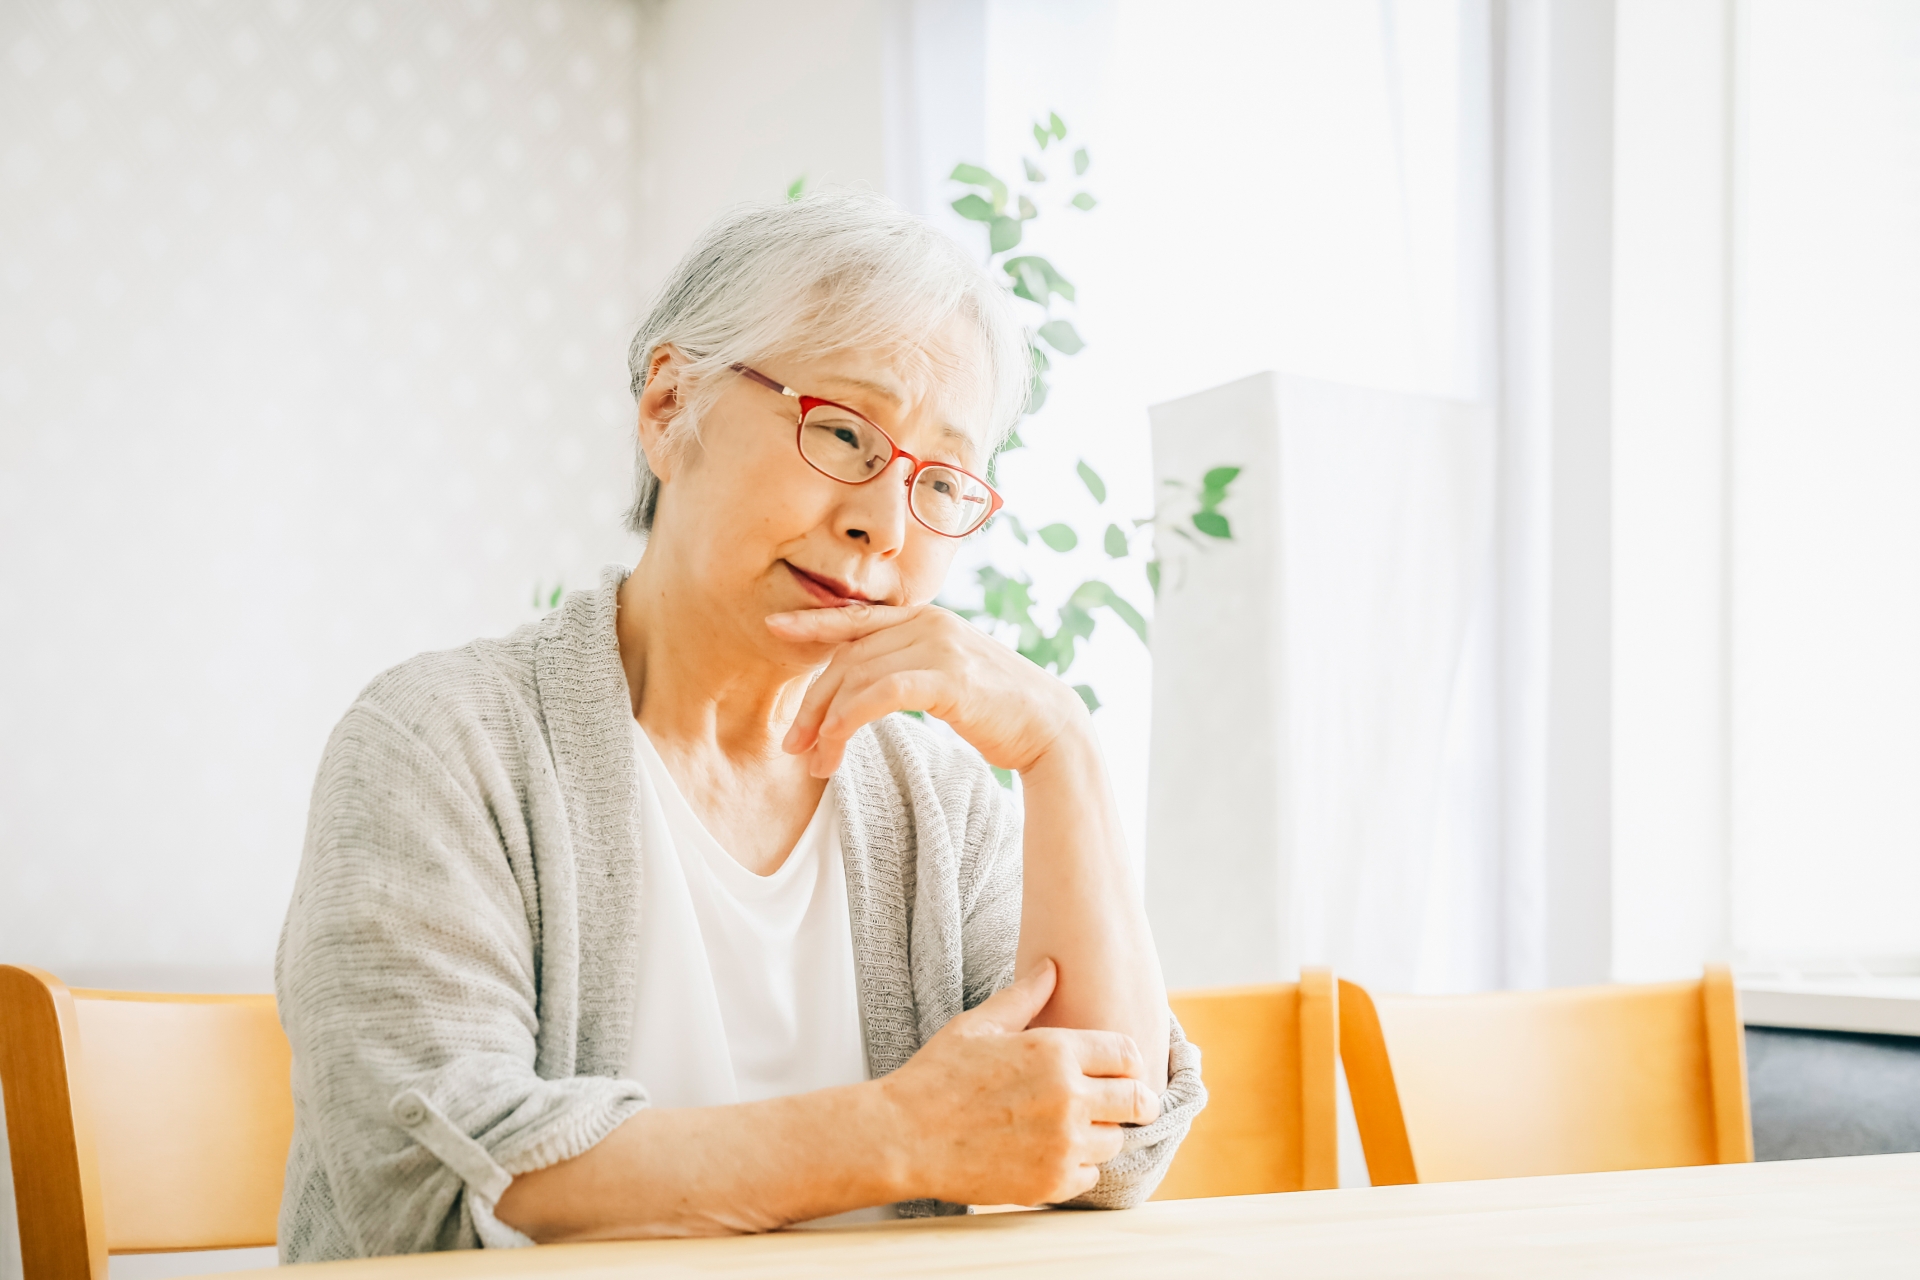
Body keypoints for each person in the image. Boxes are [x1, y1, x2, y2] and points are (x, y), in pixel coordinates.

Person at [275, 191, 1204, 1260]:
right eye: (845, 430)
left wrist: (1063, 749)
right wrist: (896, 1136)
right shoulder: (442, 741)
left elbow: (1114, 1149)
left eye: (939, 479)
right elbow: (440, 1182)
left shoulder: (937, 799)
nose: (884, 523)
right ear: (670, 406)